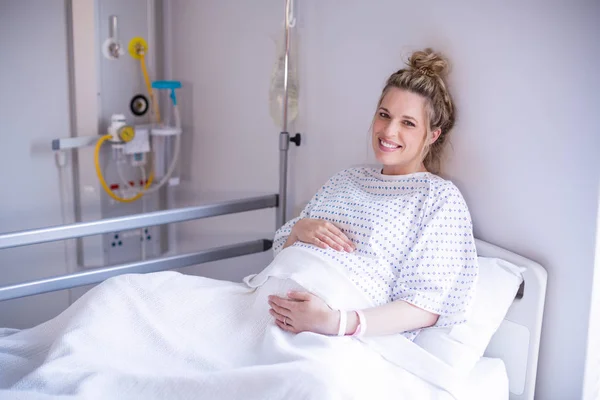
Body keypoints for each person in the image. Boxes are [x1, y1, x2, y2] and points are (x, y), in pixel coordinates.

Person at [268, 48, 478, 341]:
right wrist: (300, 229)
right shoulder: (346, 179)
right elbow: (280, 247)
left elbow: (426, 306)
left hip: (332, 332)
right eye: (384, 115)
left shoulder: (438, 199)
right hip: (268, 303)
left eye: (408, 123)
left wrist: (335, 322)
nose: (388, 131)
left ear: (432, 135)